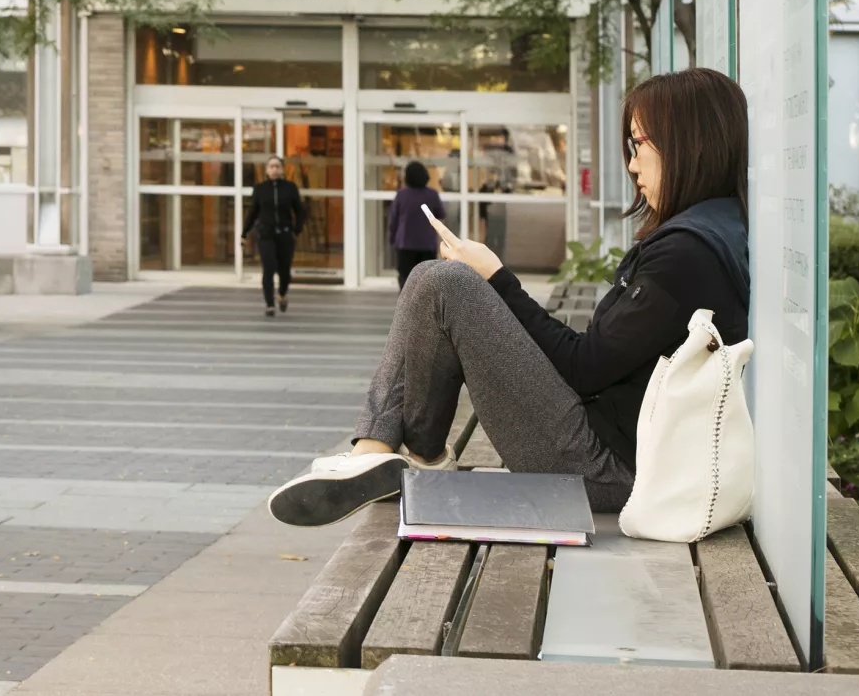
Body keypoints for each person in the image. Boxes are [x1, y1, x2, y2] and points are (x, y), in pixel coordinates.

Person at [268, 67, 750, 524]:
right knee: (440, 280)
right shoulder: (711, 233)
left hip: (606, 469)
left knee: (442, 283)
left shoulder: (688, 253)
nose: (631, 162)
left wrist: (497, 277)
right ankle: (409, 457)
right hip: (616, 453)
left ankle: (387, 453)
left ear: (688, 145)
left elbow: (585, 369)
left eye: (639, 144)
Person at [242, 155, 306, 316]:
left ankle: (282, 295)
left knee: (284, 270)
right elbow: (253, 212)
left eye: (277, 166)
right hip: (266, 234)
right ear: (266, 170)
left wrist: (296, 229)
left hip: (285, 234)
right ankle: (269, 304)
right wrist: (244, 233)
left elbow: (299, 210)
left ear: (283, 169)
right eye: (271, 167)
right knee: (269, 267)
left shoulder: (290, 188)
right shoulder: (260, 189)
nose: (274, 170)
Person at [386, 161, 446, 285]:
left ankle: (406, 304)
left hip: (405, 244)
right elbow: (441, 215)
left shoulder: (401, 195)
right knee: (426, 281)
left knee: (406, 281)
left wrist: (392, 240)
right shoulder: (432, 195)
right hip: (427, 245)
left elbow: (393, 220)